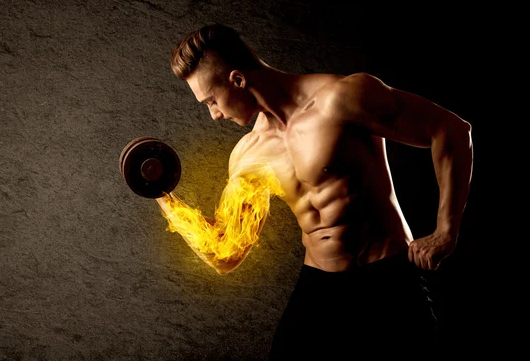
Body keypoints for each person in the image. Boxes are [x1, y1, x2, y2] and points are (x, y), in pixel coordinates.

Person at [160, 24, 473, 358]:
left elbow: (451, 130)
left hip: (385, 280)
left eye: (212, 101)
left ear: (237, 80)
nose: (214, 115)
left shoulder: (339, 99)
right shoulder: (248, 155)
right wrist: (162, 194)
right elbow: (225, 255)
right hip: (319, 288)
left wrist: (446, 231)